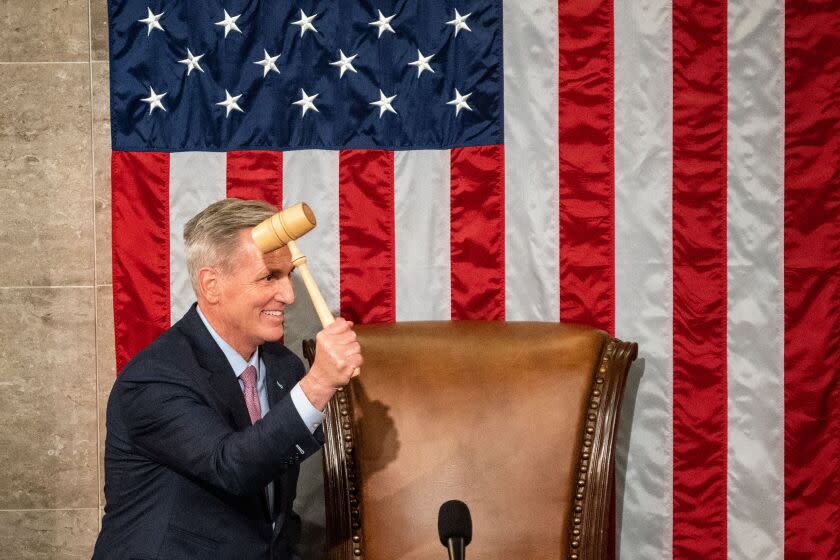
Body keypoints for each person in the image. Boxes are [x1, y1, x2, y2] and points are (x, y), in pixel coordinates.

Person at [93, 198, 362, 559]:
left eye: (288, 275)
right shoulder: (153, 379)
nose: (288, 295)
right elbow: (231, 466)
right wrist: (319, 385)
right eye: (270, 277)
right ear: (212, 285)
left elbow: (273, 514)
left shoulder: (284, 368)